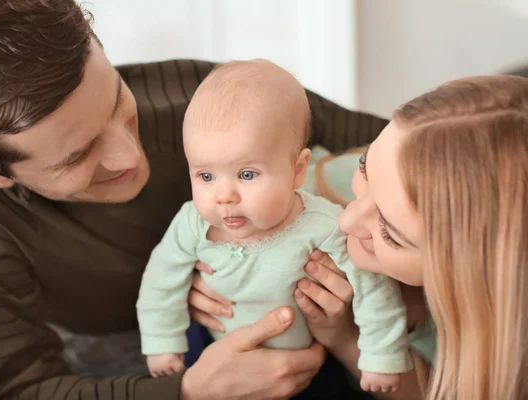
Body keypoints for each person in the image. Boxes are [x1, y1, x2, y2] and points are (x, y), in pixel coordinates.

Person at [0, 0, 389, 399]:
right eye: (79, 156)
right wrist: (186, 392)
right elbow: (14, 388)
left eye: (116, 103)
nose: (130, 155)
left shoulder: (199, 95)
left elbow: (417, 156)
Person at [246, 74, 527, 400]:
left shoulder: (494, 338)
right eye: (364, 169)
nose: (348, 220)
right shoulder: (309, 183)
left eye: (390, 234)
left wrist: (343, 337)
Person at [137, 59, 412, 393]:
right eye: (205, 176)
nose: (224, 196)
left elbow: (373, 288)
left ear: (297, 170)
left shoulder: (323, 225)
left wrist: (381, 355)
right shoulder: (191, 223)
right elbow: (160, 281)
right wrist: (162, 341)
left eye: (247, 174)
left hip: (308, 361)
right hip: (212, 344)